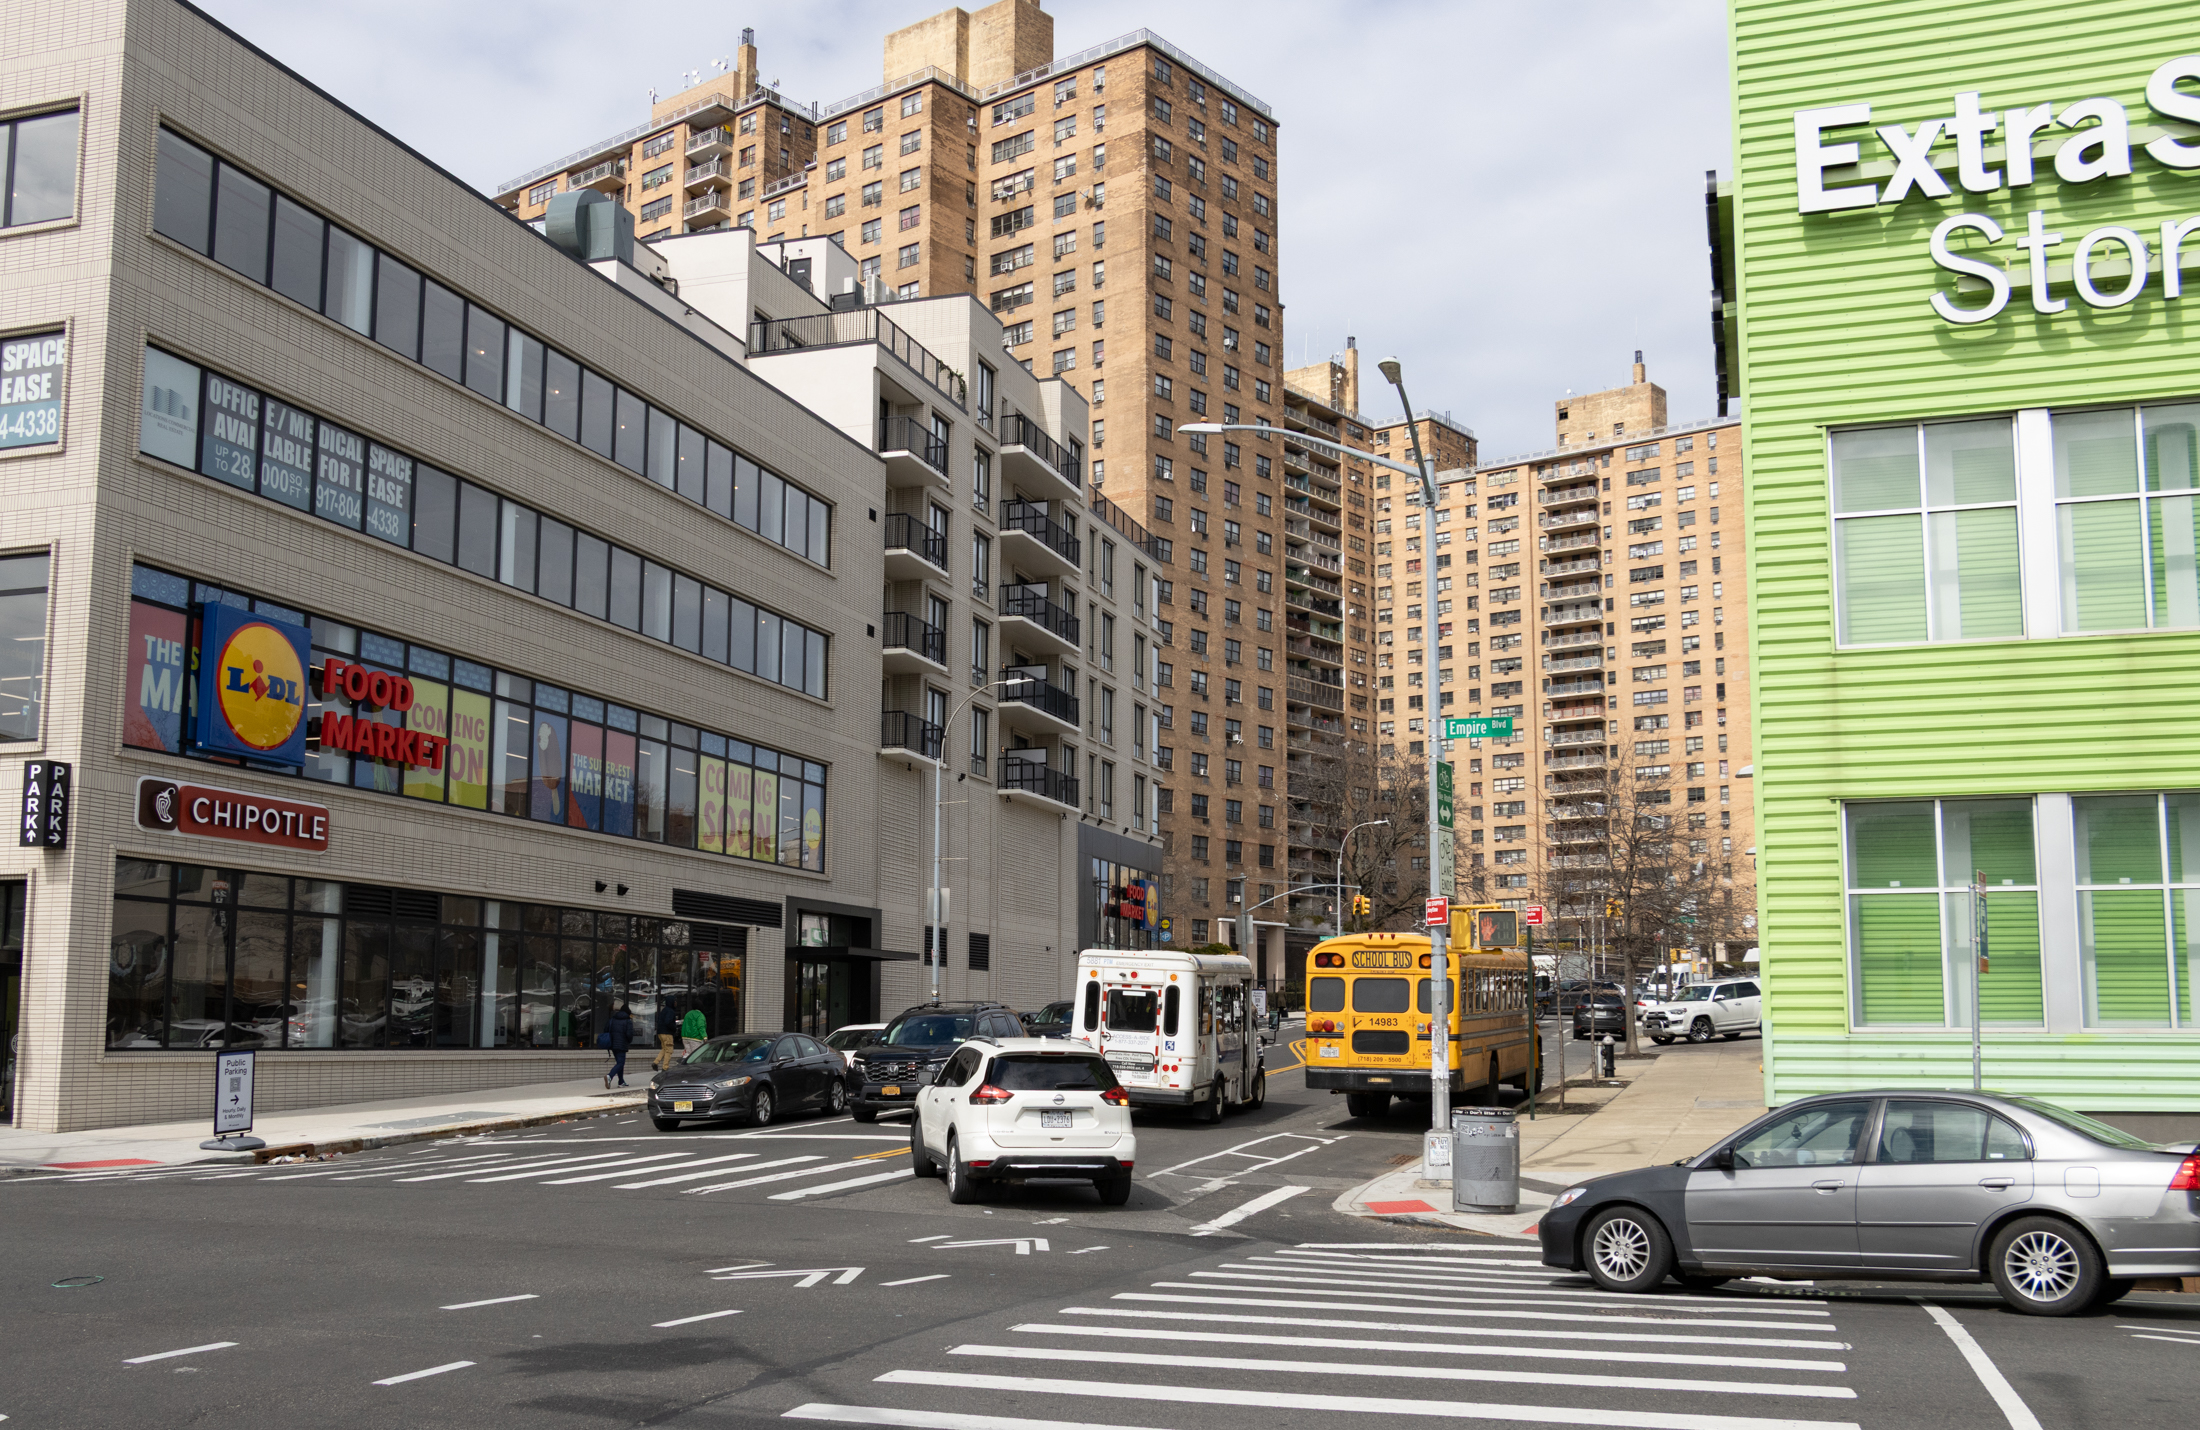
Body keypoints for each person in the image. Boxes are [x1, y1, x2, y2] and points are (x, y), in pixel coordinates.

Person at [604, 1003, 635, 1088]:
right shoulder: (628, 1021)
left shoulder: (613, 1019)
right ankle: (610, 1076)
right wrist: (628, 1041)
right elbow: (629, 1034)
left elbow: (606, 1029)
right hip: (622, 1045)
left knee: (619, 1063)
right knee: (621, 1063)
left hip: (613, 1044)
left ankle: (621, 1081)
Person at [653, 998, 680, 1071]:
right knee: (669, 1050)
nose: (676, 1003)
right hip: (667, 1033)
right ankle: (665, 1067)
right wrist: (674, 1028)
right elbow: (668, 1022)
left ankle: (656, 1062)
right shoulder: (670, 1011)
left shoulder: (664, 1010)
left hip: (660, 1033)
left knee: (664, 1049)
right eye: (675, 1001)